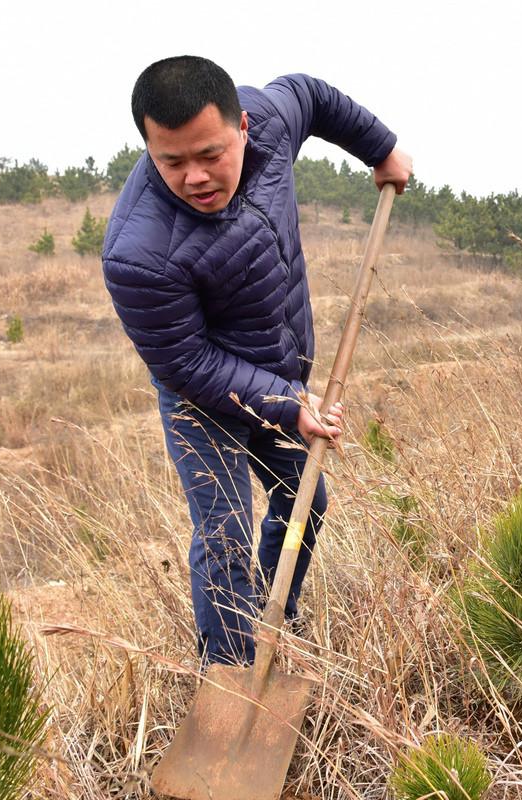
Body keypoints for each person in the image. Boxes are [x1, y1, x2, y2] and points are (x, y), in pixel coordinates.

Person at [101, 56, 412, 666]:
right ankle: (232, 670)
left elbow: (313, 94)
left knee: (305, 499)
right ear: (148, 149)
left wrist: (381, 149)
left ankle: (276, 614)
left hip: (280, 367)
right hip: (202, 398)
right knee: (224, 533)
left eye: (210, 154)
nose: (195, 176)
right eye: (172, 162)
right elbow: (188, 362)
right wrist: (288, 404)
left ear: (243, 126)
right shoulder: (136, 254)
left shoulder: (270, 118)